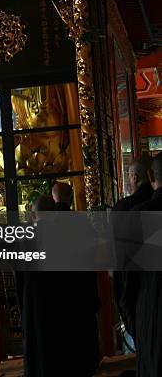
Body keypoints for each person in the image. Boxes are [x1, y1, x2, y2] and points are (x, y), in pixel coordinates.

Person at [16, 196, 100, 377]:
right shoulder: (71, 236)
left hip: (36, 308)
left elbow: (20, 280)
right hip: (66, 308)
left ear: (32, 215)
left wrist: (24, 314)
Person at [125, 152, 162, 376]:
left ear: (149, 175)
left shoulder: (140, 216)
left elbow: (129, 279)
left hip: (152, 309)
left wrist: (132, 318)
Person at [112, 155, 153, 338]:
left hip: (136, 290)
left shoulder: (124, 208)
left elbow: (120, 259)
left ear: (135, 177)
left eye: (129, 176)